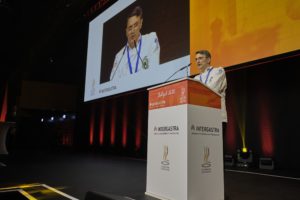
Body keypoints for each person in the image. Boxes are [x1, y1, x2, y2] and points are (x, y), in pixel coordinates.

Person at [110, 6, 160, 80]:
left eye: (135, 25)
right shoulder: (119, 56)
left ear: (141, 23)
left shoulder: (151, 39)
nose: (133, 31)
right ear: (126, 31)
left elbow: (154, 70)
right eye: (130, 28)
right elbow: (113, 81)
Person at [194, 50, 227, 140]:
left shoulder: (219, 71)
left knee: (217, 150)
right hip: (201, 119)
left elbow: (212, 90)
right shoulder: (196, 78)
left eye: (200, 58)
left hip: (217, 117)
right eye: (196, 59)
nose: (197, 61)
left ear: (208, 60)